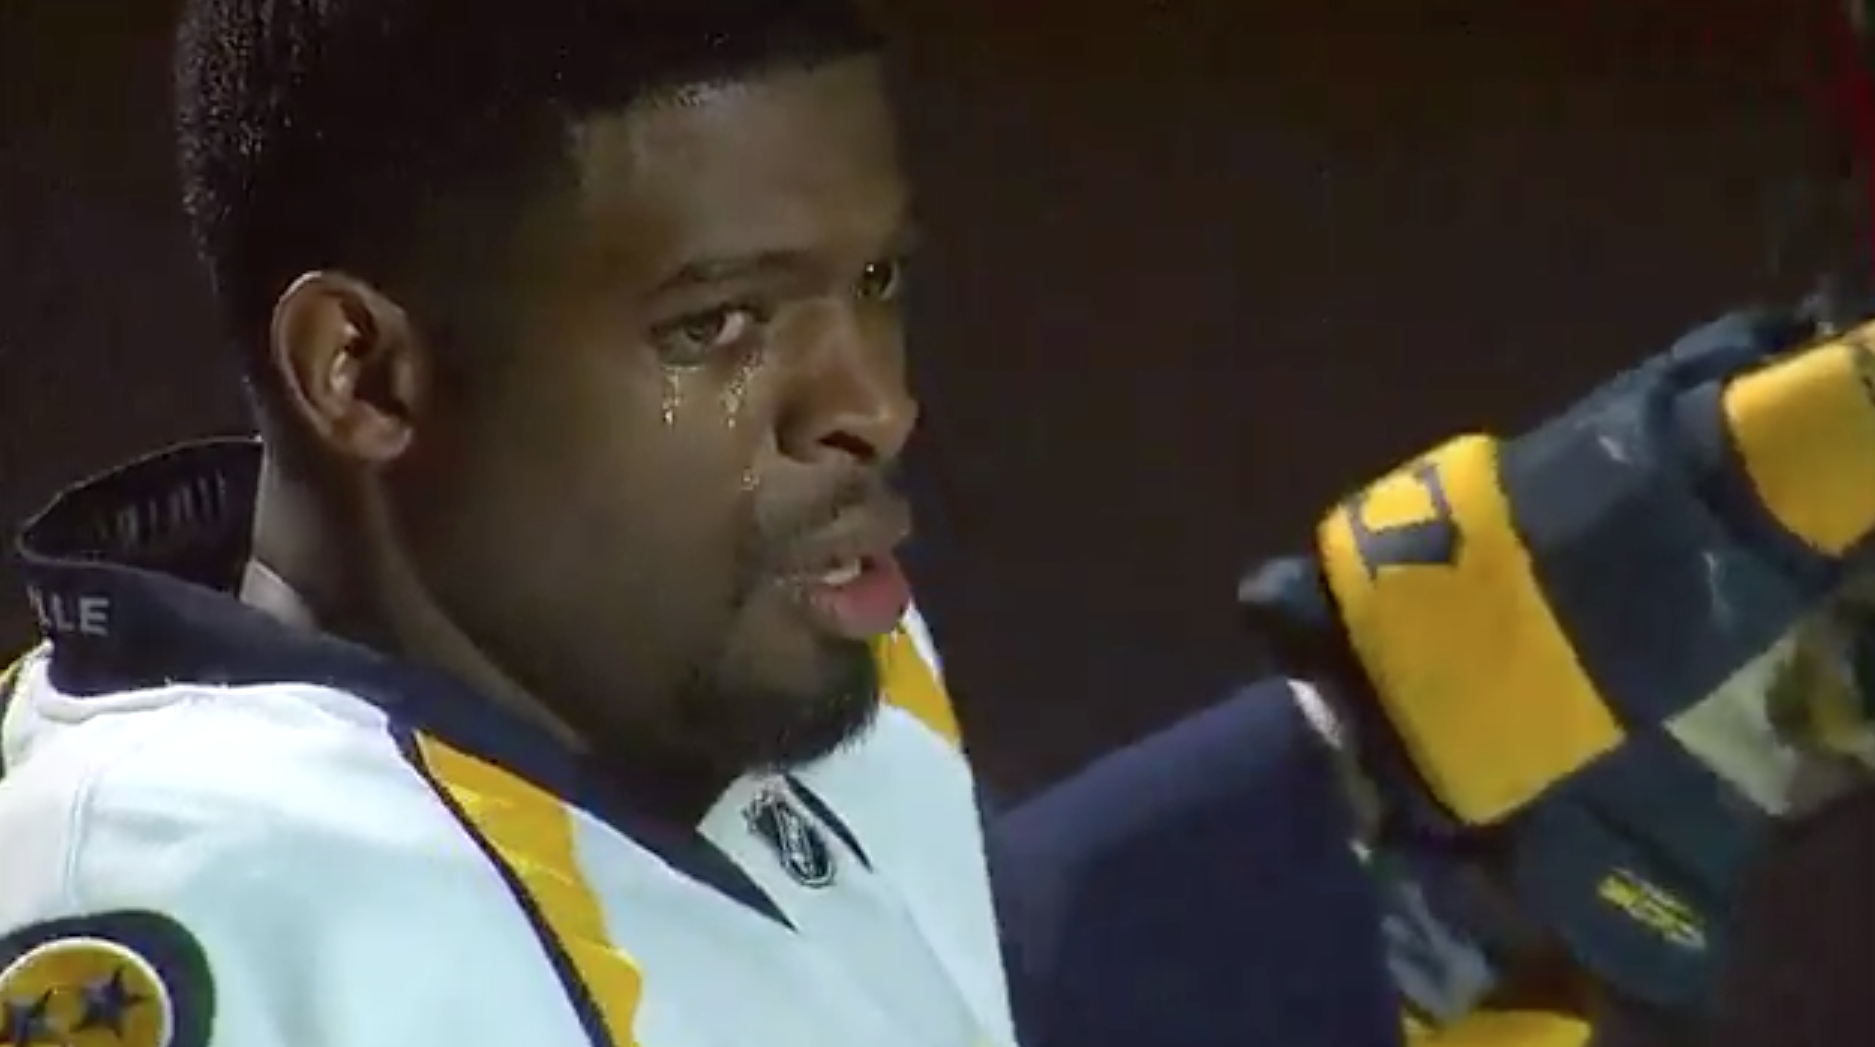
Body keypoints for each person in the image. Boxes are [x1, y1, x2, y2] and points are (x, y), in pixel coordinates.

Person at [0, 1, 1867, 1045]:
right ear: (363, 372)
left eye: (875, 281)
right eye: (717, 324)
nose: (871, 400)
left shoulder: (742, 663)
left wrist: (1358, 835)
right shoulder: (215, 920)